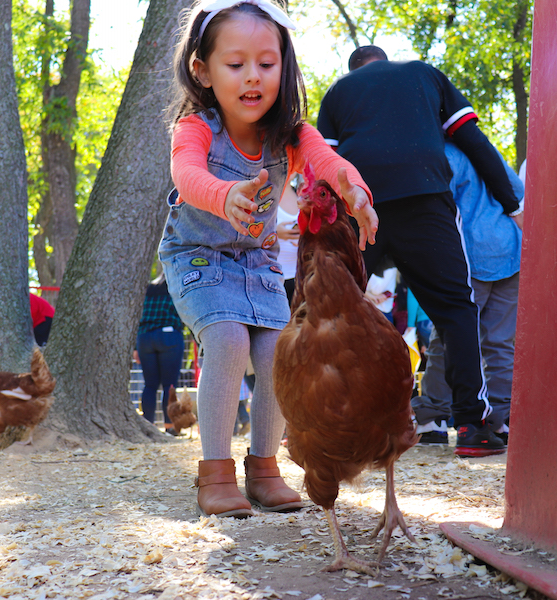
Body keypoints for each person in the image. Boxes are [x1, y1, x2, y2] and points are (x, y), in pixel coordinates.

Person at [159, 0, 378, 518]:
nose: (252, 77)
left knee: (280, 355)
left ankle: (264, 469)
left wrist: (357, 193)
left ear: (285, 64)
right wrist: (224, 194)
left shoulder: (291, 135)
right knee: (229, 340)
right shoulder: (196, 128)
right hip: (197, 255)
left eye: (267, 63)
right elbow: (186, 175)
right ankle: (214, 471)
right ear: (202, 70)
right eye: (235, 65)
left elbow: (330, 163)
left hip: (254, 261)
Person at [317, 45, 522, 457]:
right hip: (422, 196)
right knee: (456, 310)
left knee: (331, 312)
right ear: (386, 61)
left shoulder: (339, 92)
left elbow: (325, 161)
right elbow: (474, 141)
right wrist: (511, 203)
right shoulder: (423, 74)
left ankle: (324, 426)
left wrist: (327, 228)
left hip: (361, 206)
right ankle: (471, 426)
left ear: (354, 69)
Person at [413, 140, 524, 445]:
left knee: (450, 334)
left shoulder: (441, 154)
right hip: (511, 250)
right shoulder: (485, 148)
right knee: (500, 342)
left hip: (471, 254)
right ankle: (501, 418)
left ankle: (433, 415)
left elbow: (436, 209)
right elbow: (520, 192)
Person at [134, 272, 185, 436]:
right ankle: (170, 427)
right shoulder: (176, 288)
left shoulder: (147, 288)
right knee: (169, 386)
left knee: (149, 385)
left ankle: (148, 426)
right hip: (169, 337)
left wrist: (136, 347)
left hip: (145, 338)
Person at [275, 176, 300, 305]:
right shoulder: (263, 195)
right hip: (274, 278)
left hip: (300, 277)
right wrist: (275, 233)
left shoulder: (300, 194)